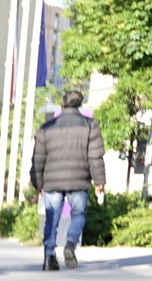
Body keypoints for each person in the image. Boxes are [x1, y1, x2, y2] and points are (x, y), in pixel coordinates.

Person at [28, 90, 106, 270]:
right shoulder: (90, 125)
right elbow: (95, 156)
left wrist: (37, 182)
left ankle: (49, 256)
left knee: (52, 218)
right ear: (79, 105)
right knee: (78, 214)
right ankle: (70, 244)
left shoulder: (47, 127)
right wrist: (99, 181)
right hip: (79, 180)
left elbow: (38, 158)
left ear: (62, 105)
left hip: (52, 181)